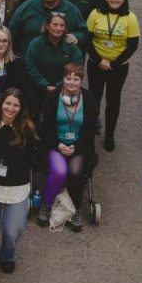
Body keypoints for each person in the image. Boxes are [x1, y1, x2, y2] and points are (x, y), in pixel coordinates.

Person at [0, 88, 38, 273]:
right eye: (8, 103)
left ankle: (7, 255)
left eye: (16, 105)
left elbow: (31, 159)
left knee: (13, 230)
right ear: (1, 104)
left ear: (21, 108)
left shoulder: (27, 131)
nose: (11, 108)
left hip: (17, 187)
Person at [37, 63, 97, 232]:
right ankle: (47, 204)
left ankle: (74, 209)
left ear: (81, 81)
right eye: (68, 78)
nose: (71, 82)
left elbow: (90, 130)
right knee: (59, 171)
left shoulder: (89, 98)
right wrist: (58, 144)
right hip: (55, 144)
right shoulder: (53, 97)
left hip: (79, 146)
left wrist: (76, 147)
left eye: (76, 79)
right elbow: (45, 127)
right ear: (63, 79)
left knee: (76, 171)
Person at [85, 0, 139, 152]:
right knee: (94, 98)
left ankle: (109, 135)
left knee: (113, 100)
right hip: (96, 63)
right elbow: (87, 39)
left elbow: (132, 45)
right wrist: (99, 59)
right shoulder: (95, 14)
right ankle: (90, 133)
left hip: (119, 67)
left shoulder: (130, 18)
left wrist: (113, 64)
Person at [8, 0, 87, 55]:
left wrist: (77, 36)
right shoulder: (27, 6)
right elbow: (12, 30)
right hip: (28, 61)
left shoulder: (71, 10)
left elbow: (84, 32)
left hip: (59, 63)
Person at [25, 13, 85, 109]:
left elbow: (77, 67)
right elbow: (31, 66)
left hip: (66, 90)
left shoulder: (70, 45)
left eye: (62, 25)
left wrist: (59, 86)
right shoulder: (36, 43)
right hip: (38, 90)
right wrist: (45, 85)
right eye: (55, 25)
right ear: (47, 26)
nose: (58, 28)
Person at [0, 26, 25, 96]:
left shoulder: (17, 62)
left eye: (4, 41)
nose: (1, 44)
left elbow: (21, 88)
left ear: (9, 43)